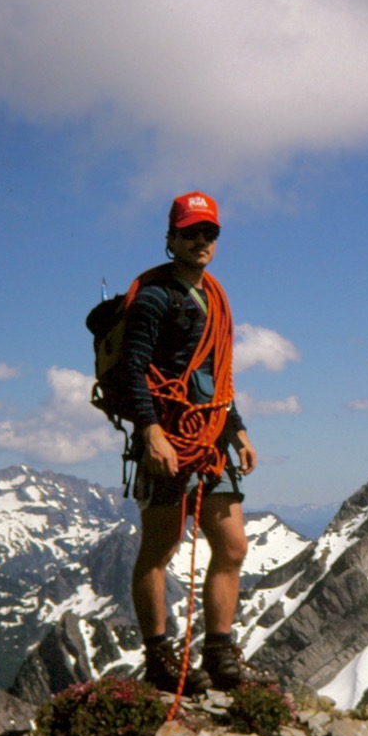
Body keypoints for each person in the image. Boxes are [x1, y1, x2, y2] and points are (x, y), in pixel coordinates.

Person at [120, 190, 262, 694]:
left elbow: (216, 372)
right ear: (171, 238)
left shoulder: (214, 295)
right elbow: (133, 369)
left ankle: (219, 653)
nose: (202, 241)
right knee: (160, 547)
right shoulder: (156, 296)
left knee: (233, 545)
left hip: (211, 434)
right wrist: (150, 430)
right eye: (192, 232)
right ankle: (160, 658)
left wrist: (236, 425)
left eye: (210, 232)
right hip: (168, 435)